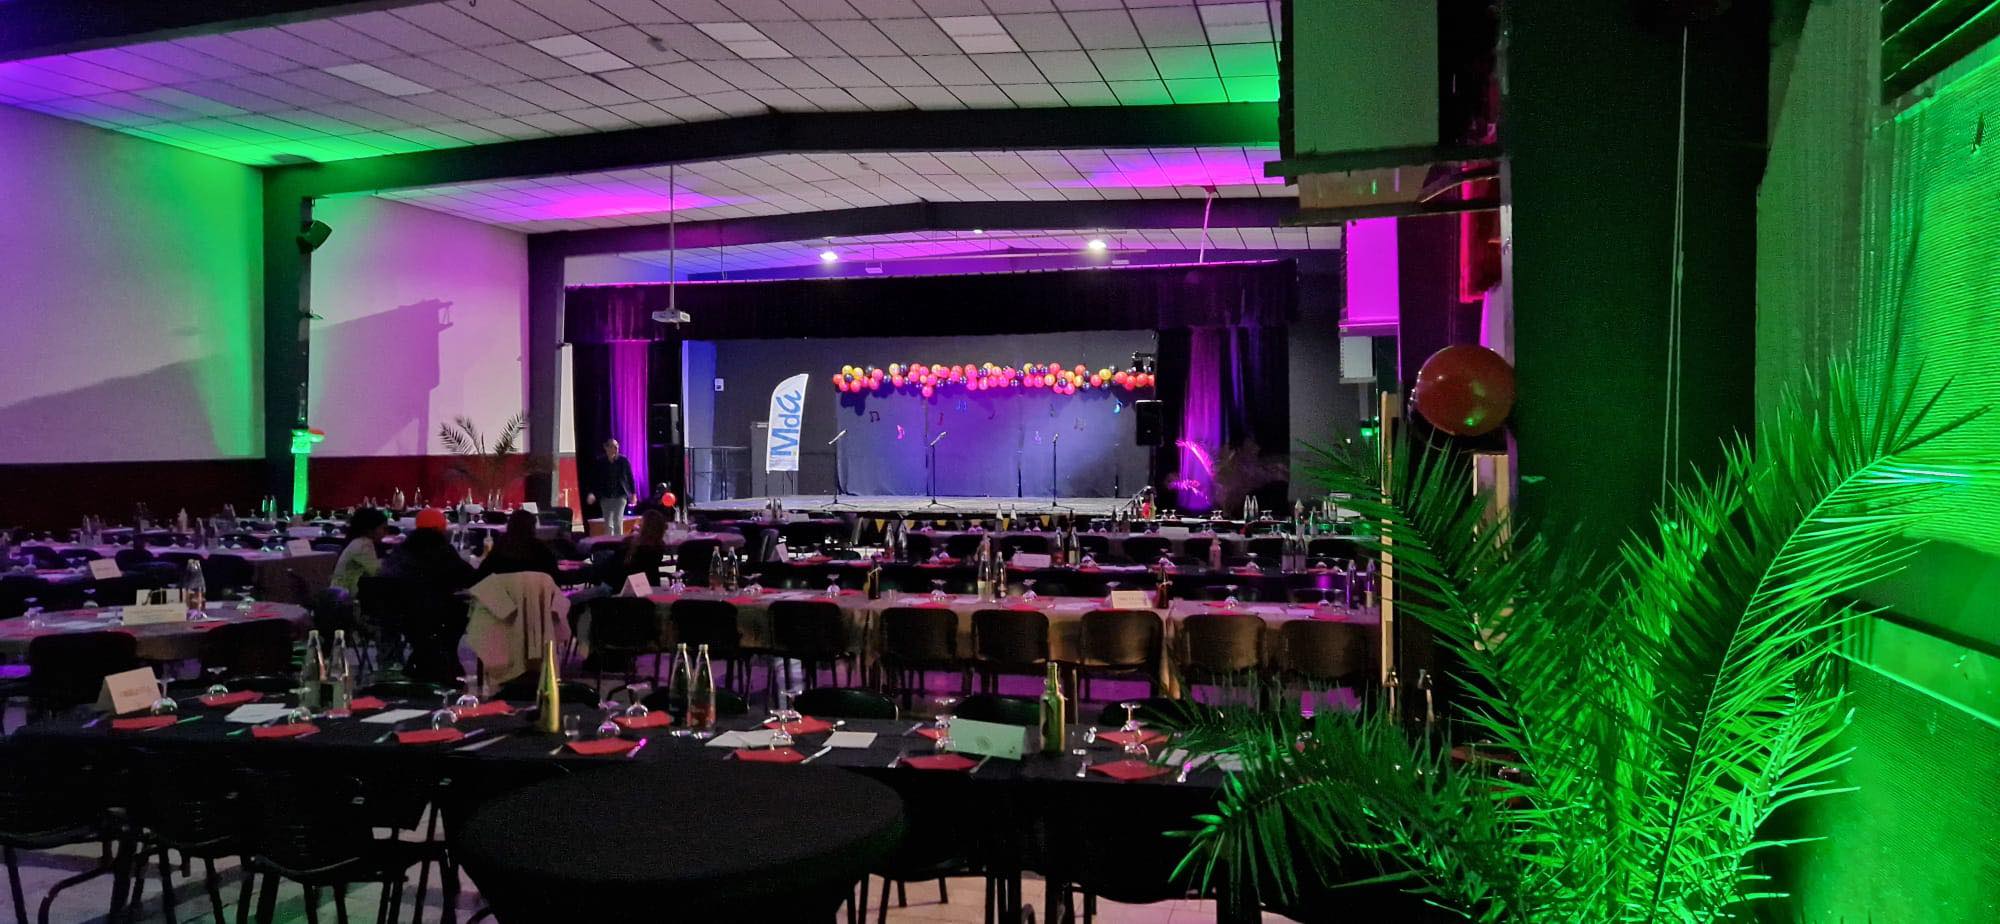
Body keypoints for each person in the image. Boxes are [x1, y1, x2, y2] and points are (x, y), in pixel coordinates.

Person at [380, 507, 477, 684]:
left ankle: (422, 658)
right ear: (441, 528)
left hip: (398, 613)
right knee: (461, 612)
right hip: (433, 611)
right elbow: (467, 576)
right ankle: (443, 661)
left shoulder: (401, 549)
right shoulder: (441, 548)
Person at [478, 509, 560, 580]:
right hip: (534, 592)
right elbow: (555, 576)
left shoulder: (501, 547)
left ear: (509, 526)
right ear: (532, 528)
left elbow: (482, 573)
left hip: (503, 592)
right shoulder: (541, 549)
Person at [599, 509, 669, 587]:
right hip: (651, 584)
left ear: (644, 526)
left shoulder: (631, 543)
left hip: (624, 585)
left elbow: (619, 565)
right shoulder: (659, 546)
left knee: (602, 556)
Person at [329, 506, 388, 595]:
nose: (386, 533)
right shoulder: (364, 544)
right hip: (345, 596)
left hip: (340, 592)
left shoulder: (357, 541)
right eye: (383, 528)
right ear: (369, 529)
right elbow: (376, 572)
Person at [585, 438, 636, 536]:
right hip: (605, 496)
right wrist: (592, 493)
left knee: (618, 522)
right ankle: (609, 542)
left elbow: (630, 478)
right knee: (608, 524)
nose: (615, 449)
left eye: (617, 446)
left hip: (620, 496)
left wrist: (633, 494)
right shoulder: (601, 462)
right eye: (612, 446)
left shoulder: (623, 461)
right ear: (606, 448)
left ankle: (618, 542)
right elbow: (595, 480)